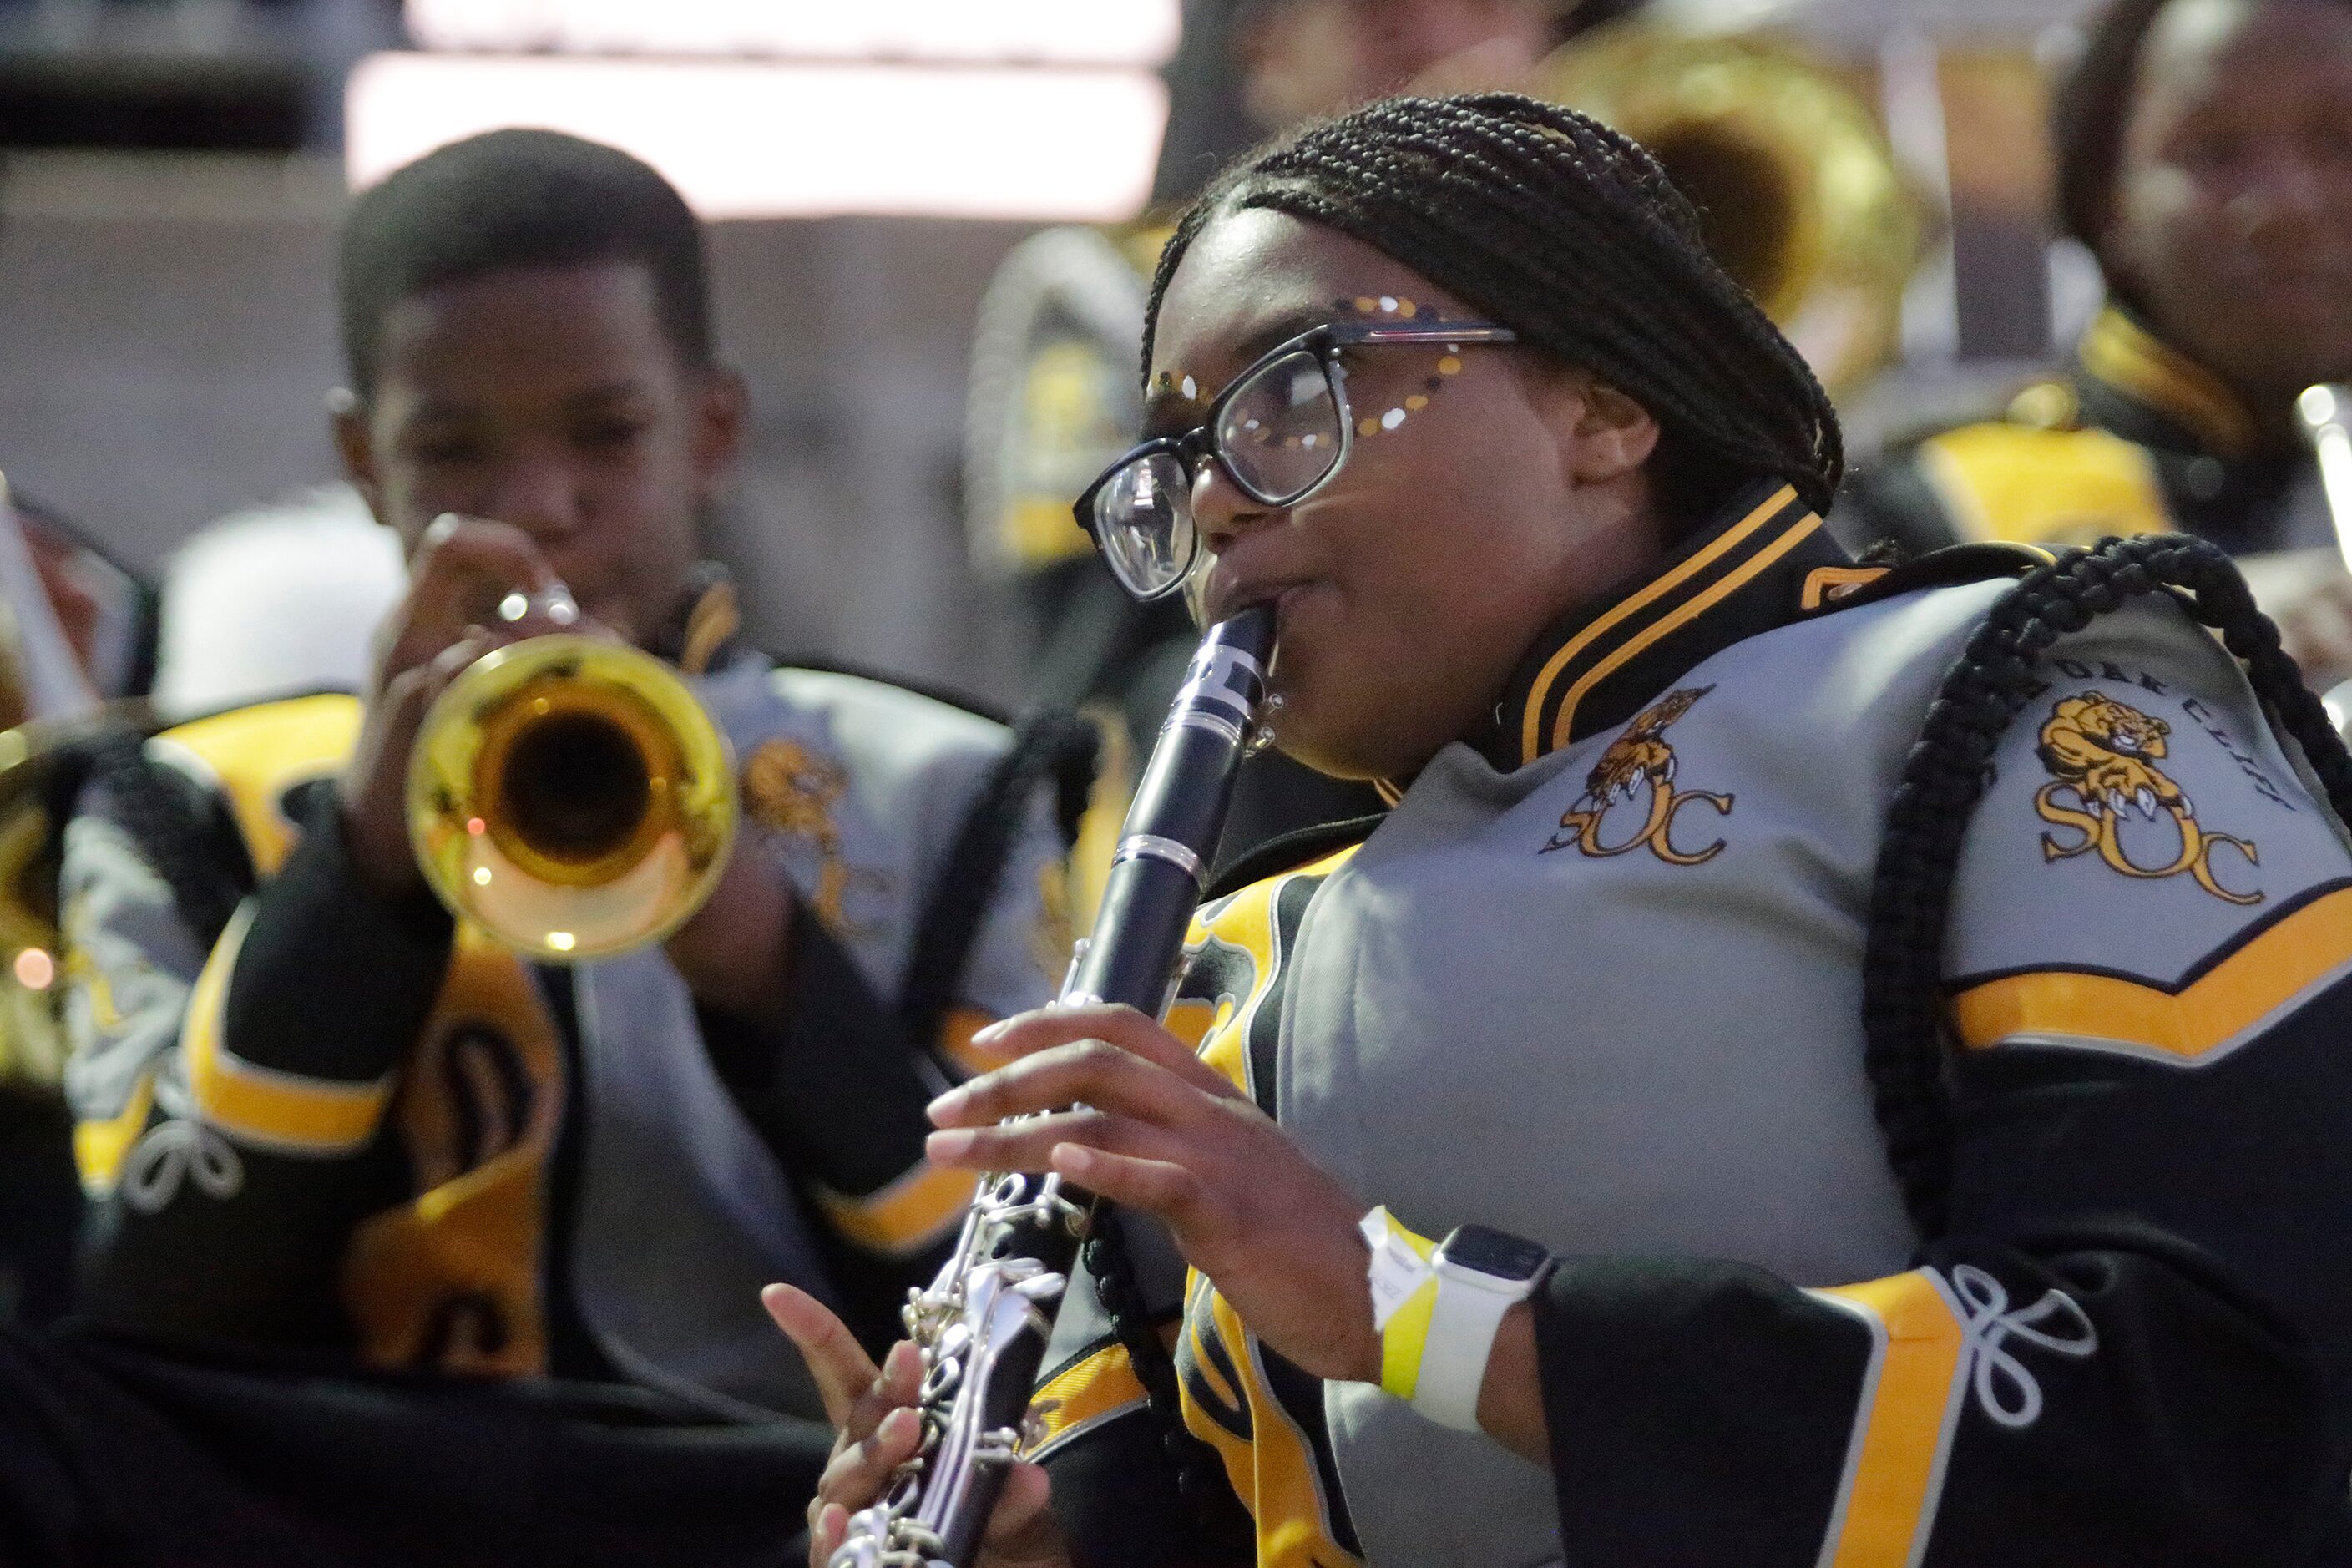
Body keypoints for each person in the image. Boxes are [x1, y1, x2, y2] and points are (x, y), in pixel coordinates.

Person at [771, 94, 2352, 1566]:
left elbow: (2203, 1411)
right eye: (1180, 459)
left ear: (1601, 403)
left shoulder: (2035, 703)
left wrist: (1399, 1302)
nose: (1217, 505)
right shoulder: (1231, 963)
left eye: (1293, 390)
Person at [0, 129, 1080, 1565]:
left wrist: (768, 965)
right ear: (360, 460)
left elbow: (999, 1306)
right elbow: (157, 1304)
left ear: (710, 430)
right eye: (453, 448)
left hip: (760, 1483)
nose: (536, 505)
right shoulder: (186, 796)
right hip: (330, 1482)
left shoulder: (943, 780)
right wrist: (359, 875)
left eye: (605, 433)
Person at [1839, 0, 2352, 692]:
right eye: (2211, 148)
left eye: (2342, 141)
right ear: (2108, 197)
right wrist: (2151, 637)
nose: (2286, 204)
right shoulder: (1926, 509)